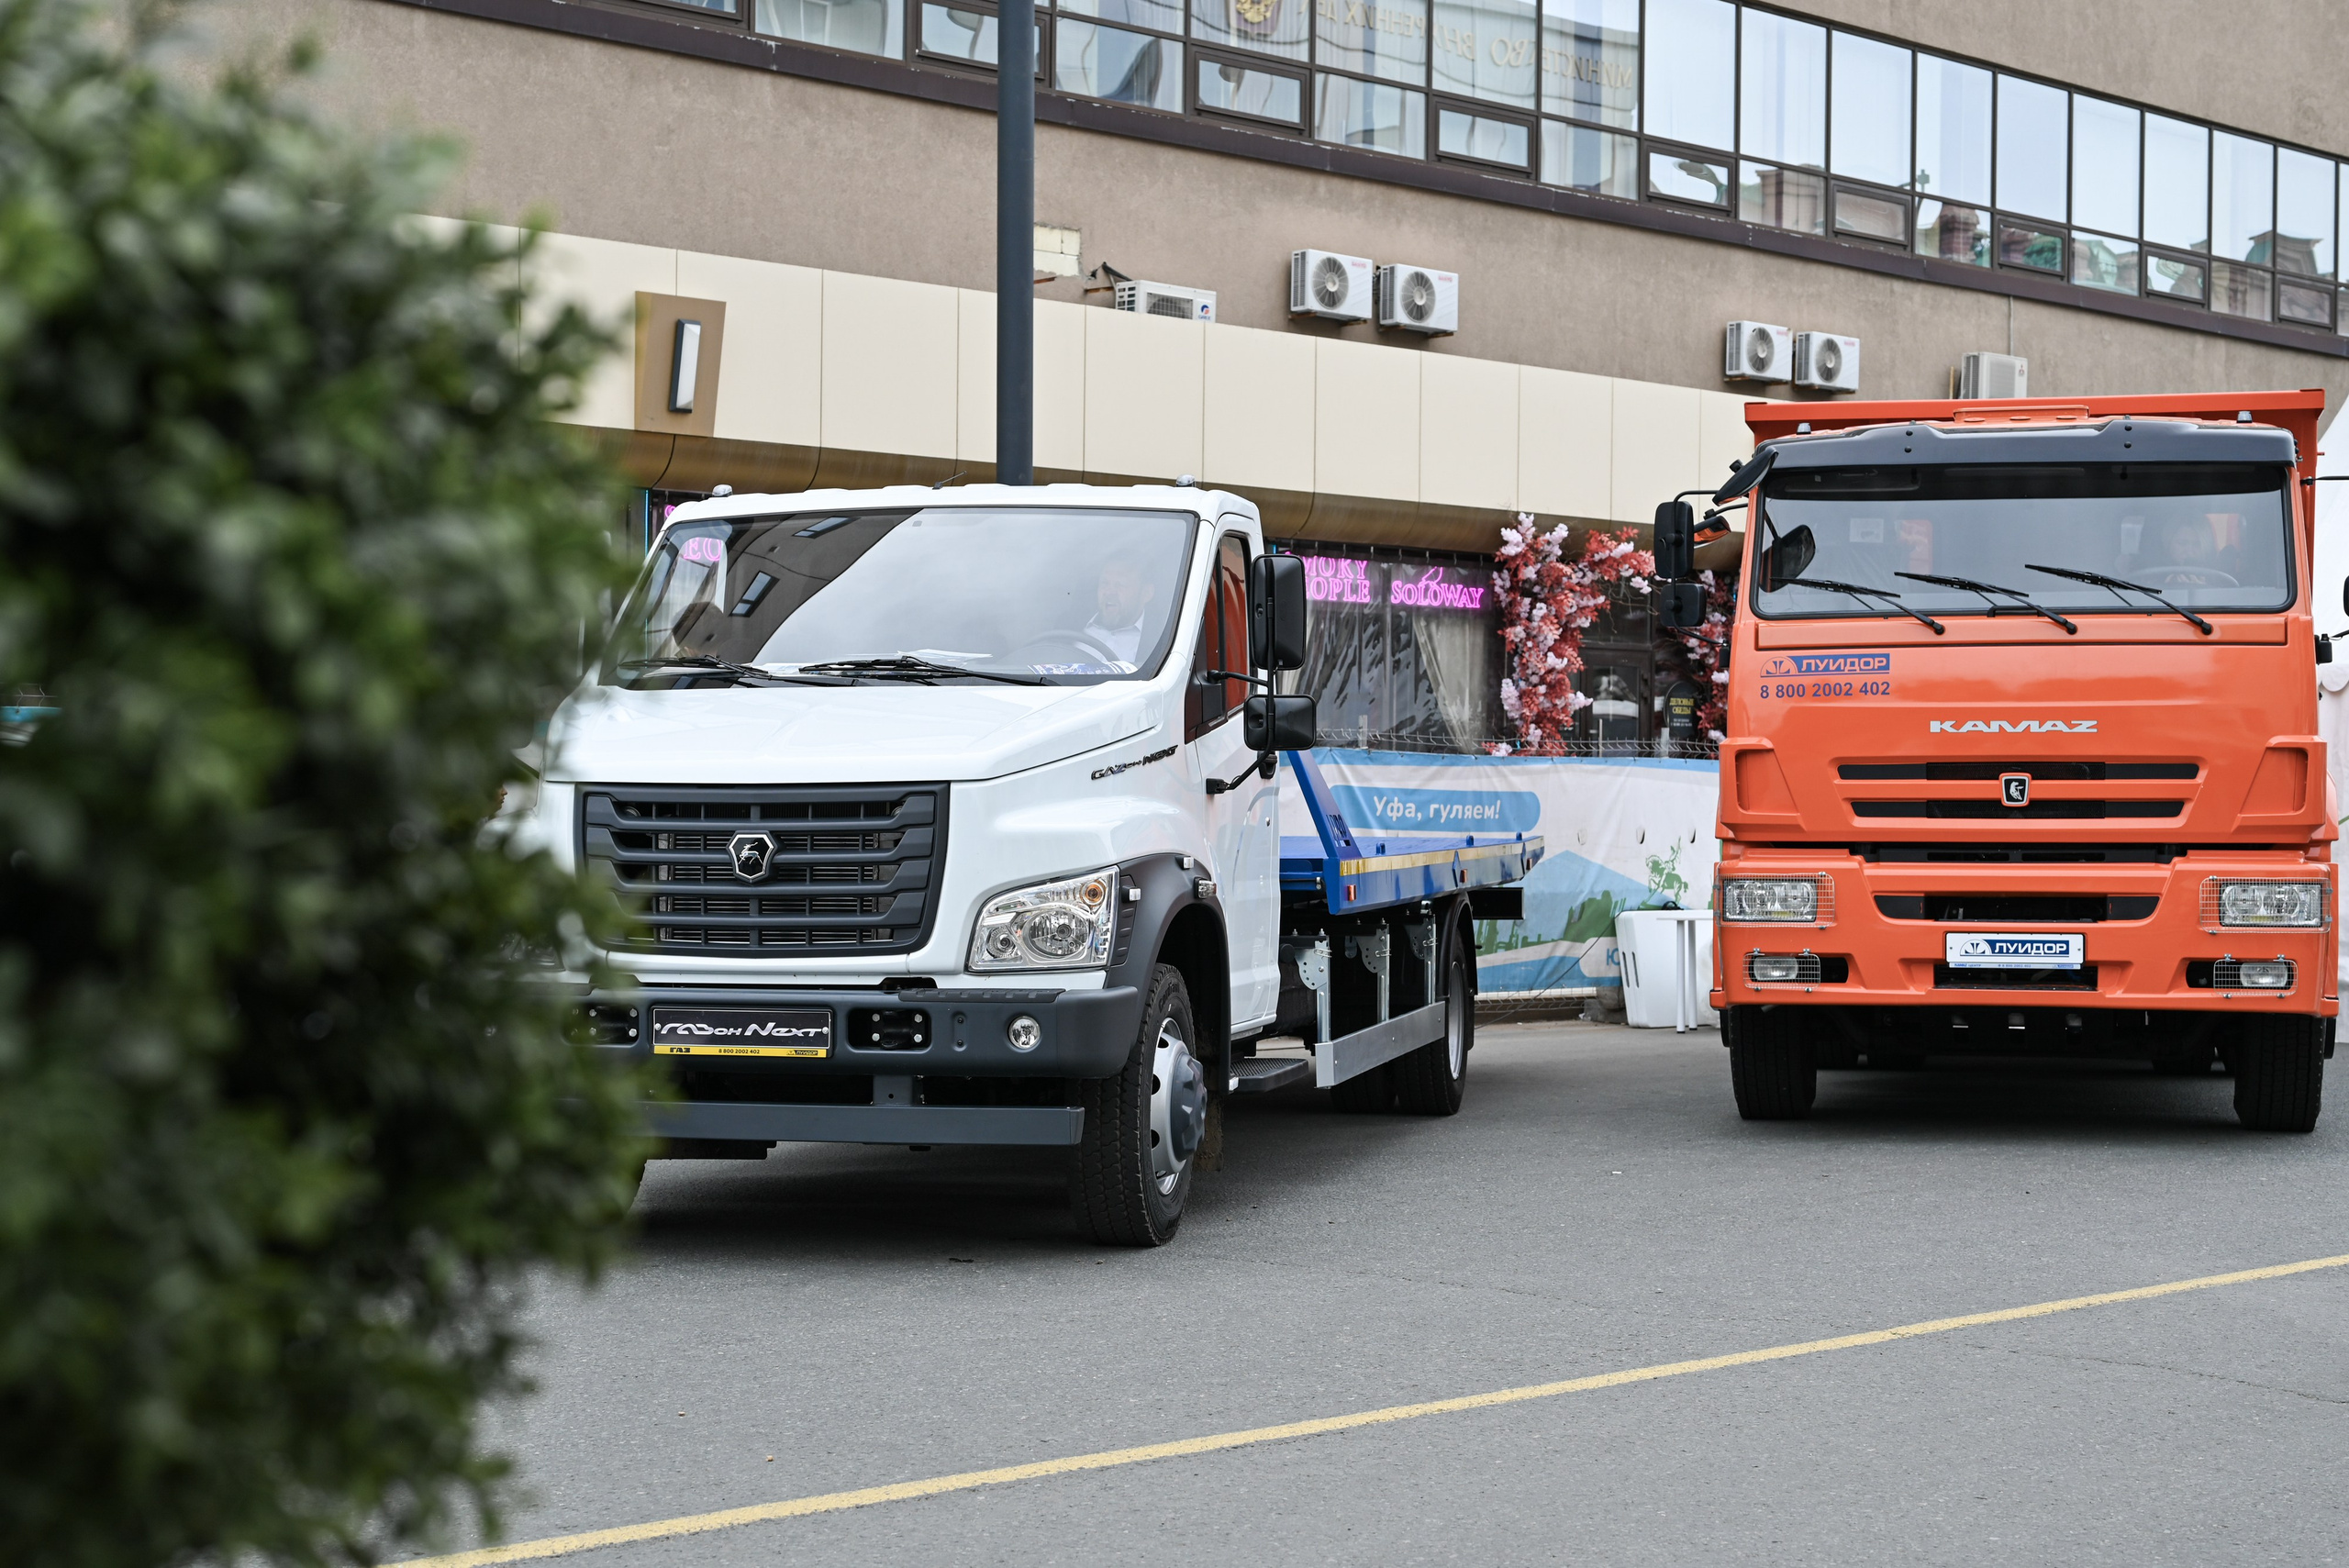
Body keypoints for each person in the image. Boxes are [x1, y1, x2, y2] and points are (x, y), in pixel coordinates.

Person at [1081, 554, 1156, 665]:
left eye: (1120, 584)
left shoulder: (1161, 640)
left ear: (1146, 593)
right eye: (1104, 583)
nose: (1109, 592)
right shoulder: (1070, 626)